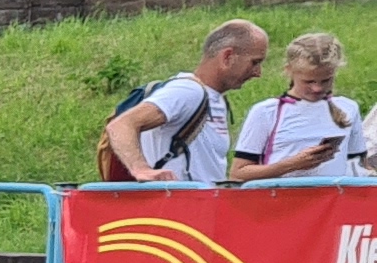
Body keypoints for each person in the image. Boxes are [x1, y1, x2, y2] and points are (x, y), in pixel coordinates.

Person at [105, 19, 268, 184]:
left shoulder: (215, 98)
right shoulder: (188, 91)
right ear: (227, 57)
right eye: (255, 62)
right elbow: (121, 125)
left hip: (200, 204)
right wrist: (141, 169)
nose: (258, 73)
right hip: (176, 204)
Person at [230, 30, 367, 182]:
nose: (317, 88)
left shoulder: (348, 108)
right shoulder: (266, 112)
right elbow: (238, 174)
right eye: (309, 81)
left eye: (326, 80)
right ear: (289, 71)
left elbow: (358, 165)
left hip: (332, 202)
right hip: (282, 200)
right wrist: (292, 165)